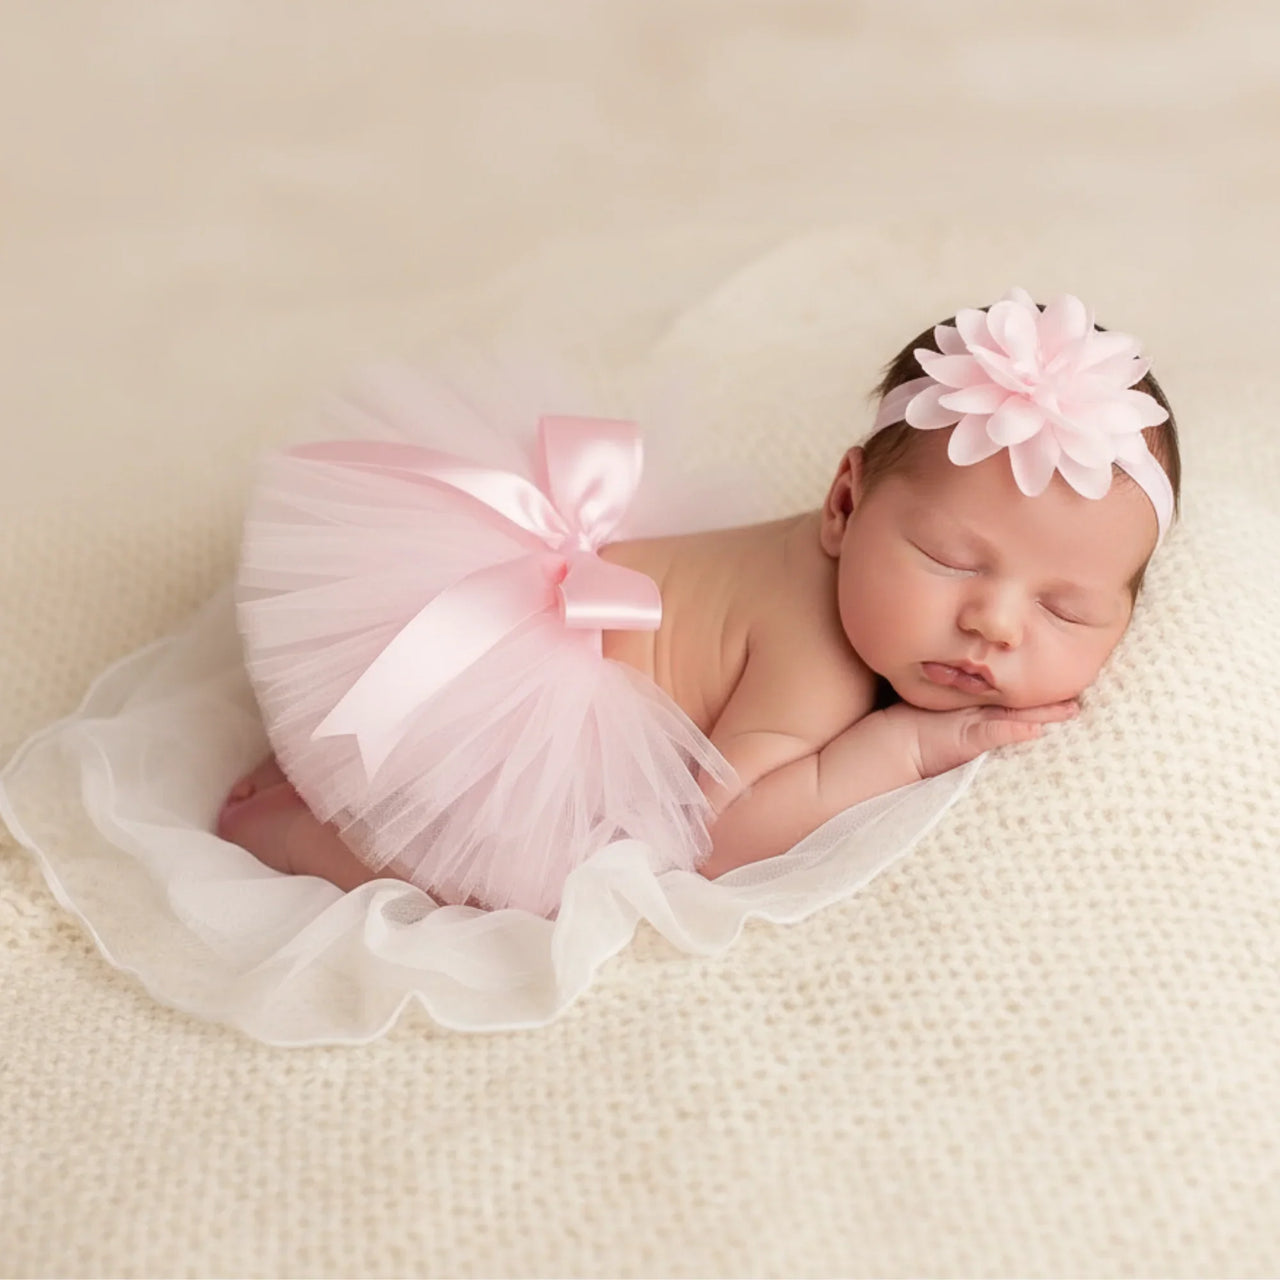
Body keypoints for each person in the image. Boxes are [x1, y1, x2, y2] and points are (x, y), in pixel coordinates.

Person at [217, 287, 1180, 915]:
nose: (995, 624)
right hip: (508, 709)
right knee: (505, 887)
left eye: (1066, 611)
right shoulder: (819, 657)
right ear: (843, 505)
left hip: (496, 632)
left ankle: (318, 765)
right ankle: (300, 832)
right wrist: (910, 745)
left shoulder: (870, 582)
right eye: (946, 558)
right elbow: (718, 839)